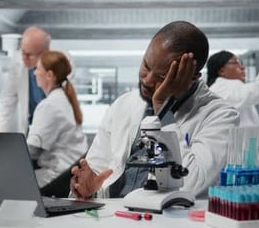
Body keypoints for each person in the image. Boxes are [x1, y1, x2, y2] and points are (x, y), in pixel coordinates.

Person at [70, 21, 239, 199]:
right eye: (146, 66)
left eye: (161, 76)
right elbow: (96, 170)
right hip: (114, 217)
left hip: (168, 222)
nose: (147, 80)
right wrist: (87, 189)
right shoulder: (123, 105)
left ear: (192, 76)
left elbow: (190, 185)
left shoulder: (221, 115)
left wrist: (163, 110)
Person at [26, 50, 87, 187]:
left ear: (49, 75)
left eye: (38, 68)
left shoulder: (49, 105)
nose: (35, 73)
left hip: (55, 176)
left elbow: (33, 150)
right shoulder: (63, 99)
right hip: (67, 173)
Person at [0, 27, 51, 133]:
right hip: (31, 128)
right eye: (22, 51)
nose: (24, 58)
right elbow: (6, 104)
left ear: (44, 53)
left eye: (30, 55)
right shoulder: (18, 64)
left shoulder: (62, 64)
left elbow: (62, 106)